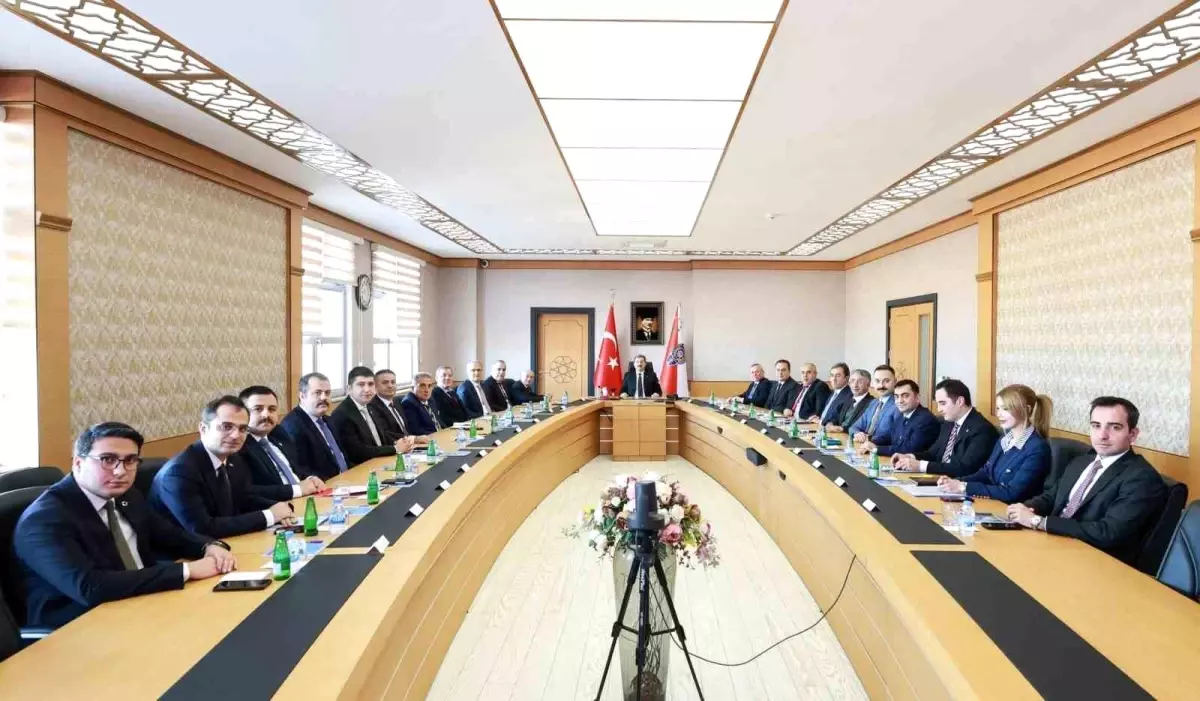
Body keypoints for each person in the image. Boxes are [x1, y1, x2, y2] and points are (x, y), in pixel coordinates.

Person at [13, 422, 236, 629]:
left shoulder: (125, 495)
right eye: (107, 460)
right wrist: (187, 570)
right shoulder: (44, 520)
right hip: (81, 624)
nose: (120, 471)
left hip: (142, 601)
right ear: (78, 463)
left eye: (130, 460)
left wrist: (208, 546)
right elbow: (90, 587)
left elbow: (168, 534)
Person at [1008, 397, 1167, 564]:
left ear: (1132, 434)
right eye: (1096, 425)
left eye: (1115, 427)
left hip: (1092, 561)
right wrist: (1024, 509)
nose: (1102, 435)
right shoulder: (1082, 461)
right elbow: (1052, 497)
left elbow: (1108, 532)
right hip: (1053, 544)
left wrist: (1038, 522)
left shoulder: (1142, 478)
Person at [150, 396, 296, 539]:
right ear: (203, 428)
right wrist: (269, 516)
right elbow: (203, 528)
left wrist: (279, 508)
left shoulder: (233, 458)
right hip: (185, 550)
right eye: (226, 427)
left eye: (243, 429)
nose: (235, 435)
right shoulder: (179, 472)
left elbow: (243, 498)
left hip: (225, 542)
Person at [937, 384, 1051, 503]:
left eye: (1006, 409)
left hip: (1010, 509)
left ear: (1026, 410)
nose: (999, 414)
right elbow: (986, 473)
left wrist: (963, 487)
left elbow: (1011, 493)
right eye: (998, 408)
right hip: (991, 503)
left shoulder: (1037, 448)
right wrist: (955, 482)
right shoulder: (1004, 439)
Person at [893, 379, 999, 476]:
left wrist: (920, 466)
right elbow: (933, 453)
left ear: (960, 401)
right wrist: (910, 457)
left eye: (942, 403)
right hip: (939, 479)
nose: (939, 409)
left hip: (958, 484)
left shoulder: (982, 429)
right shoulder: (949, 423)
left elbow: (965, 468)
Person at [237, 385, 326, 500]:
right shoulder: (240, 445)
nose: (266, 414)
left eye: (272, 409)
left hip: (306, 498)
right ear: (242, 413)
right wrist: (297, 489)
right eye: (258, 409)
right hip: (278, 505)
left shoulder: (278, 433)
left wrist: (310, 479)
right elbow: (248, 491)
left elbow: (295, 469)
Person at [330, 366, 418, 465]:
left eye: (370, 384)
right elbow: (357, 452)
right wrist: (395, 448)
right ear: (349, 389)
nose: (367, 389)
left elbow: (381, 436)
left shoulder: (370, 406)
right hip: (362, 467)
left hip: (382, 461)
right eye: (361, 384)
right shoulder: (342, 414)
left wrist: (401, 442)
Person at [279, 372, 349, 479]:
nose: (324, 397)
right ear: (302, 396)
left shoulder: (328, 420)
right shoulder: (293, 426)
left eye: (327, 393)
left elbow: (342, 455)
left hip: (347, 478)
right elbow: (301, 471)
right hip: (325, 484)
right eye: (317, 393)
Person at [861, 379, 938, 457]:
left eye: (905, 396)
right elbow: (889, 436)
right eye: (896, 397)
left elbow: (910, 449)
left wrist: (876, 449)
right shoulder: (901, 415)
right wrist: (871, 443)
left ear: (917, 398)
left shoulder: (925, 419)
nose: (900, 401)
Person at [849, 365, 899, 443]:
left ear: (895, 382)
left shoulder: (899, 405)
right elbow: (853, 427)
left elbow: (893, 436)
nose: (881, 385)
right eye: (877, 381)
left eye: (886, 381)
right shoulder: (873, 403)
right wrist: (857, 433)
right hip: (863, 446)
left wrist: (869, 439)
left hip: (880, 448)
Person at [371, 368, 414, 440]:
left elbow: (406, 428)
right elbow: (386, 434)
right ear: (375, 386)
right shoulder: (372, 406)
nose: (390, 385)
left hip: (409, 443)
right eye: (385, 382)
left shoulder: (396, 401)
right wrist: (414, 439)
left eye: (393, 382)